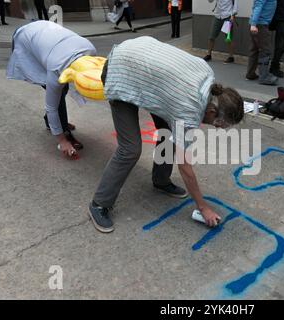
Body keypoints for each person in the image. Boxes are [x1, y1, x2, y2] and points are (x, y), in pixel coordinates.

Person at [89, 36, 244, 233]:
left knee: (170, 134)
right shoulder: (189, 110)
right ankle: (99, 204)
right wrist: (202, 207)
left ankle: (160, 180)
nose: (216, 128)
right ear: (212, 111)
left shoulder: (209, 77)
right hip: (120, 69)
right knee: (130, 149)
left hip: (143, 66)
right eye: (218, 125)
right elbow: (185, 166)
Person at [6, 21, 97, 158]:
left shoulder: (90, 51)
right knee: (57, 93)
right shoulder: (56, 69)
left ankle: (54, 122)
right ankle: (63, 131)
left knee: (62, 88)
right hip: (23, 38)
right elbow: (51, 106)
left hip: (44, 31)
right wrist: (62, 141)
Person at [246, 0, 278, 85]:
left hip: (257, 24)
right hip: (260, 25)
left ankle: (250, 73)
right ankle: (264, 77)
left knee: (254, 50)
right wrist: (253, 24)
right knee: (265, 51)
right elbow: (258, 6)